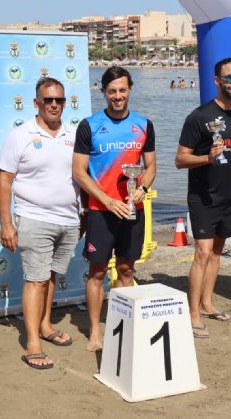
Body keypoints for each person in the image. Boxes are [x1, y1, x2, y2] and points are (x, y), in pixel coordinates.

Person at [72, 67, 156, 351]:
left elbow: (151, 165)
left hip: (132, 209)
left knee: (126, 270)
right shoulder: (89, 125)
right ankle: (95, 331)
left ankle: (121, 324)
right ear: (103, 92)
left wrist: (142, 188)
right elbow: (79, 172)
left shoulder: (144, 124)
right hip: (101, 210)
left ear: (130, 89)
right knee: (97, 272)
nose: (117, 96)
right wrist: (107, 200)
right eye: (112, 91)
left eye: (122, 90)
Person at [0, 77, 78, 369]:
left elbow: (83, 174)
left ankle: (45, 326)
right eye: (48, 100)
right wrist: (6, 224)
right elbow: (4, 180)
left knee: (51, 276)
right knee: (36, 280)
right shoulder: (19, 136)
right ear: (36, 103)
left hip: (69, 219)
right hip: (34, 218)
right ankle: (32, 342)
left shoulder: (74, 132)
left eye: (59, 100)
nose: (54, 105)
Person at [175, 57, 231, 338]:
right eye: (229, 78)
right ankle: (193, 312)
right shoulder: (200, 117)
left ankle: (207, 303)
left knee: (218, 252)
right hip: (203, 196)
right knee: (202, 253)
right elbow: (180, 160)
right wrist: (207, 157)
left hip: (230, 196)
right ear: (217, 81)